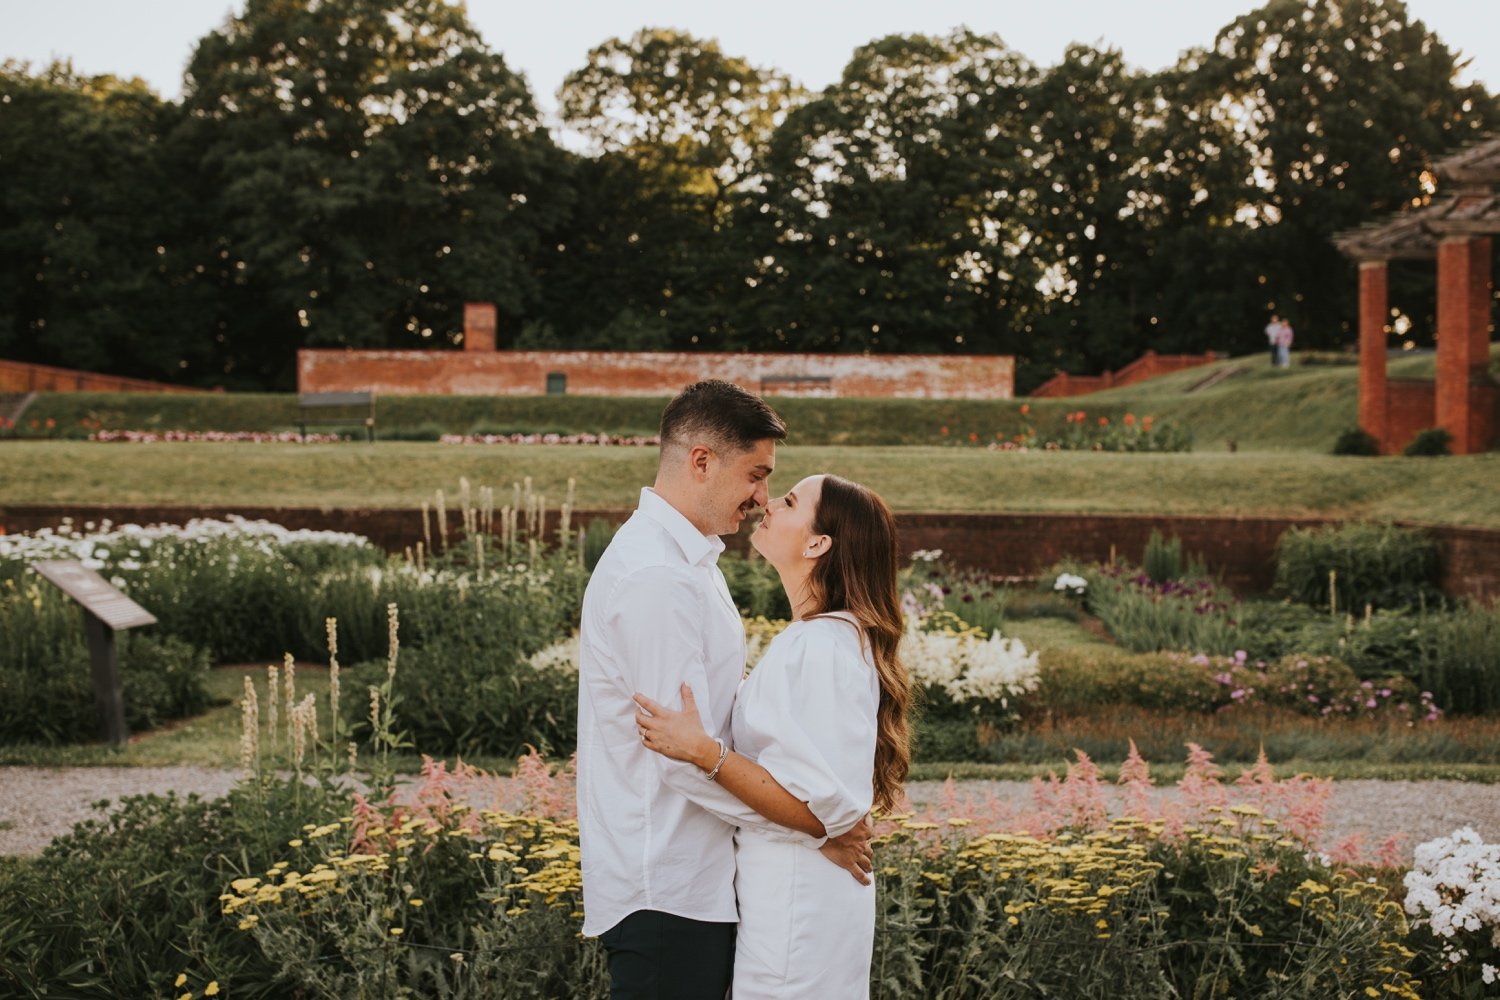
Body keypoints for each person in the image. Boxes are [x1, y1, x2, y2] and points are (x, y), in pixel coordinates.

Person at [576, 380, 874, 1000]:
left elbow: (709, 727)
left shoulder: (691, 563)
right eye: (757, 475)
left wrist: (812, 816)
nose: (762, 497)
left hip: (699, 881)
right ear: (702, 461)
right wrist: (814, 827)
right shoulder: (656, 576)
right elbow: (680, 758)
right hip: (669, 886)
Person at [635, 473, 912, 999]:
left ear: (817, 544)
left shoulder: (821, 644)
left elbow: (816, 809)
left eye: (789, 501)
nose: (769, 503)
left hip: (797, 902)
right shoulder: (824, 639)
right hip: (794, 892)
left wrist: (702, 750)